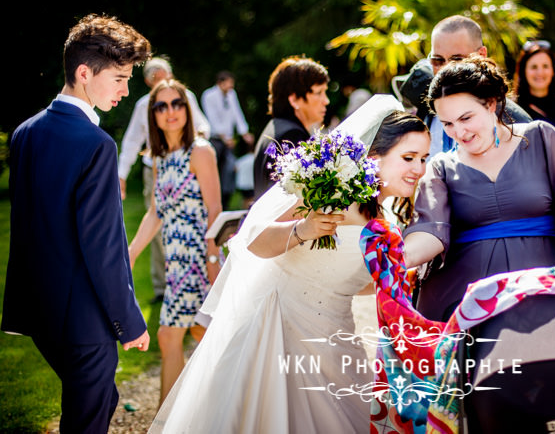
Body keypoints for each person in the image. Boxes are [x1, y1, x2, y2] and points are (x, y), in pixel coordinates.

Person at [149, 95, 430, 433]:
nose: (419, 169)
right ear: (374, 156)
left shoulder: (385, 220)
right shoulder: (330, 188)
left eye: (424, 159)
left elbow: (354, 279)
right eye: (409, 158)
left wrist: (399, 277)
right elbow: (254, 240)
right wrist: (303, 229)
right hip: (280, 330)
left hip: (337, 337)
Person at [2, 14, 151, 433]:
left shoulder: (25, 132)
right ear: (84, 73)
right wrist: (130, 321)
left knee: (100, 402)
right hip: (84, 320)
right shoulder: (96, 145)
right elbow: (103, 248)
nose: (125, 90)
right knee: (88, 421)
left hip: (39, 313)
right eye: (119, 78)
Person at [402, 55, 555, 322]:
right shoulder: (441, 167)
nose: (459, 132)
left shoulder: (541, 138)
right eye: (447, 124)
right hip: (464, 306)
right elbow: (429, 231)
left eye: (466, 118)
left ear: (491, 104)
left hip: (542, 297)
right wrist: (394, 257)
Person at [127, 78, 223, 405]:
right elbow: (156, 210)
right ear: (152, 115)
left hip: (198, 258)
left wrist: (212, 262)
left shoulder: (201, 150)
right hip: (175, 261)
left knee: (173, 335)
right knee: (192, 334)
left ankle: (172, 420)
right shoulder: (160, 156)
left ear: (187, 108)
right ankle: (184, 417)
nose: (171, 111)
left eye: (177, 103)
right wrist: (132, 252)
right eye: (161, 106)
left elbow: (215, 209)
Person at [118, 56, 210, 305]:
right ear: (148, 82)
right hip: (154, 167)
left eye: (164, 75)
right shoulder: (142, 106)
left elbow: (204, 126)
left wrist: (189, 145)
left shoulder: (186, 97)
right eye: (155, 78)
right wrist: (121, 174)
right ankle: (164, 286)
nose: (161, 81)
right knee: (159, 230)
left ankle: (200, 277)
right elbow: (131, 142)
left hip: (189, 166)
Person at [424, 14, 531, 156]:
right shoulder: (425, 105)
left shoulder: (515, 123)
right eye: (437, 61)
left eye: (457, 60)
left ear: (481, 54)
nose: (445, 68)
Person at [252, 56, 330, 199]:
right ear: (294, 99)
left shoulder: (276, 128)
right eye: (319, 93)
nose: (326, 101)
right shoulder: (290, 136)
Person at [201, 70, 254, 208]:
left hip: (229, 141)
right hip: (215, 139)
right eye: (228, 84)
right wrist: (223, 135)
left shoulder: (231, 95)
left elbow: (237, 114)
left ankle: (225, 203)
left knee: (229, 170)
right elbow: (211, 117)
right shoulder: (209, 95)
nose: (230, 87)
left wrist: (244, 132)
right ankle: (210, 202)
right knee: (214, 172)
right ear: (220, 83)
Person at [512, 39, 555, 139]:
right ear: (524, 71)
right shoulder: (512, 108)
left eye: (545, 66)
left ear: (553, 71)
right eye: (534, 67)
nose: (540, 72)